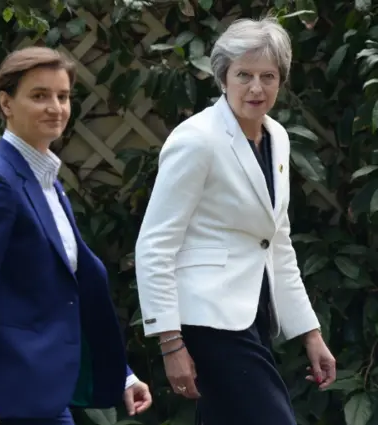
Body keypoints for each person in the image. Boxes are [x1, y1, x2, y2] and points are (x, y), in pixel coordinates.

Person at [134, 17, 336, 425]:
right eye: (244, 75)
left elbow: (276, 240)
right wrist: (170, 343)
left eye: (269, 76)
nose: (256, 88)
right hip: (209, 321)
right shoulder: (196, 139)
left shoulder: (277, 136)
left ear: (281, 81)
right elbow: (155, 243)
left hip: (255, 316)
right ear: (223, 77)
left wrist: (310, 333)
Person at [0, 46, 152, 425]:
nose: (55, 107)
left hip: (48, 393)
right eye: (39, 96)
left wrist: (122, 373)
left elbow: (72, 289)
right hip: (5, 401)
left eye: (63, 96)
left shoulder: (46, 182)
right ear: (6, 103)